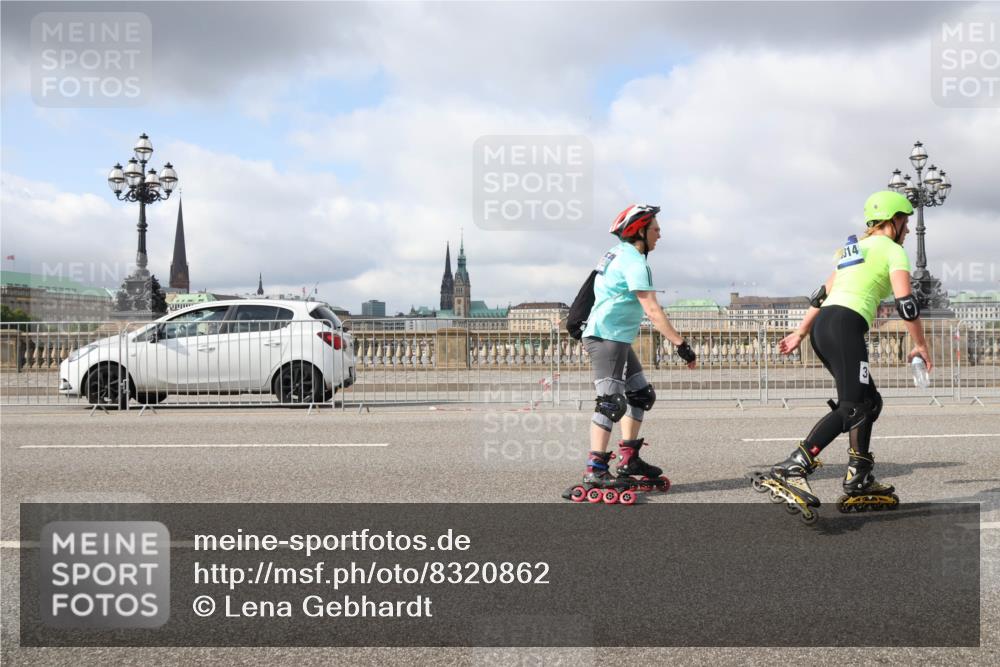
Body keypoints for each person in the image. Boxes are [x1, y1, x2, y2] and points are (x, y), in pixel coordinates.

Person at [768, 190, 932, 519]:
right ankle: (794, 466)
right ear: (895, 221)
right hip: (845, 325)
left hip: (824, 327)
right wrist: (921, 345)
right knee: (853, 407)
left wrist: (801, 332)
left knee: (869, 402)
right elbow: (906, 304)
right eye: (906, 221)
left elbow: (821, 294)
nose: (907, 230)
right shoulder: (893, 250)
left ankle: (859, 476)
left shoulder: (853, 249)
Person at [564, 204, 697, 504]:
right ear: (639, 231)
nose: (660, 234)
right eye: (655, 229)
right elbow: (652, 309)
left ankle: (629, 459)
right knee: (610, 402)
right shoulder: (635, 262)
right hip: (606, 337)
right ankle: (595, 469)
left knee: (639, 395)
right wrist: (681, 345)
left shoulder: (615, 254)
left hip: (616, 337)